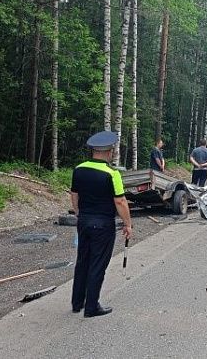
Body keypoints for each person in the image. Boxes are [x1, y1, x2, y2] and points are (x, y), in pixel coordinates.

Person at [70, 131, 133, 318]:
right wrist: (128, 224)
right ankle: (91, 307)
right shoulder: (112, 174)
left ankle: (76, 302)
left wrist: (79, 214)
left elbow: (74, 195)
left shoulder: (79, 169)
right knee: (98, 264)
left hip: (84, 221)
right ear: (110, 151)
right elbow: (120, 201)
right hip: (103, 224)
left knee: (82, 261)